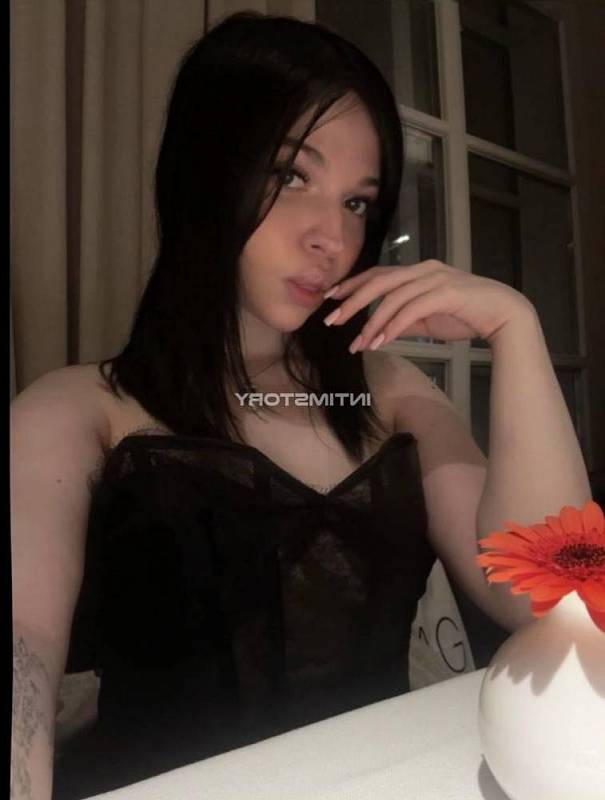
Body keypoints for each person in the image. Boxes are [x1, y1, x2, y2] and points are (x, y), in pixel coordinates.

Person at [10, 10, 592, 800]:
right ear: (205, 173)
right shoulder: (77, 410)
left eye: (357, 203)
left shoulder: (390, 393)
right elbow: (23, 648)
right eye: (290, 177)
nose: (331, 237)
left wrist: (514, 330)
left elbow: (553, 594)